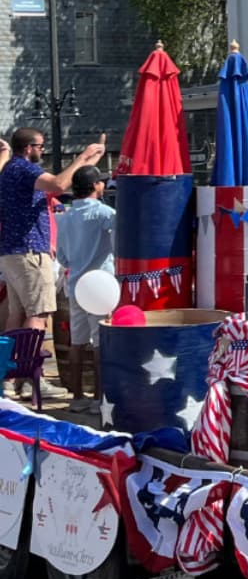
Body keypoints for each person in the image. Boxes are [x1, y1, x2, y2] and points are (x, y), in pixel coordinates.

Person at [0, 126, 106, 351]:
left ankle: (8, 373)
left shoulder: (10, 169)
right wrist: (83, 157)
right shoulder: (24, 169)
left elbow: (62, 182)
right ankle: (28, 377)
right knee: (38, 314)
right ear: (29, 148)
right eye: (41, 146)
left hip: (13, 251)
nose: (43, 150)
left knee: (16, 315)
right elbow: (58, 184)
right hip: (29, 251)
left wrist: (89, 163)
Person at [54, 166, 116, 413]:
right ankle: (98, 397)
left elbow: (62, 257)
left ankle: (77, 396)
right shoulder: (106, 213)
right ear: (95, 186)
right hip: (101, 284)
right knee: (100, 342)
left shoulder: (65, 216)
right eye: (100, 182)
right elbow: (119, 244)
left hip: (76, 284)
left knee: (77, 342)